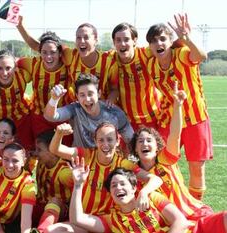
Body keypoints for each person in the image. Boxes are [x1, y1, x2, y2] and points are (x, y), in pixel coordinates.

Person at [132, 83, 227, 232]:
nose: (145, 144)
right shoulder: (135, 174)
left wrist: (177, 107)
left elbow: (175, 135)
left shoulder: (165, 159)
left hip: (195, 214)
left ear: (157, 146)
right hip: (172, 225)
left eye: (149, 140)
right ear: (135, 150)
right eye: (140, 141)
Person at [46, 122, 163, 232]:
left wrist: (144, 192)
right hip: (81, 217)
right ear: (95, 142)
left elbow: (156, 179)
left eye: (110, 139)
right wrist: (59, 134)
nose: (105, 144)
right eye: (101, 140)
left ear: (118, 141)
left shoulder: (124, 164)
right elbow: (55, 149)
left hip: (104, 222)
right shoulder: (87, 155)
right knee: (52, 229)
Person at [146, 13, 212, 200]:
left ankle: (197, 208)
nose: (158, 44)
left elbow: (201, 56)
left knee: (196, 167)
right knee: (160, 161)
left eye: (162, 39)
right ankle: (165, 203)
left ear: (170, 41)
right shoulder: (152, 65)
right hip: (170, 117)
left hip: (195, 118)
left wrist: (186, 39)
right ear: (150, 46)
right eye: (153, 41)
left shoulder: (181, 54)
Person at [16, 16, 116, 101]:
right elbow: (41, 46)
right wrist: (20, 26)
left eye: (86, 37)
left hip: (100, 110)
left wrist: (108, 103)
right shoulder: (71, 56)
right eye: (78, 37)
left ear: (96, 40)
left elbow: (115, 89)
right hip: (76, 110)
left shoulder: (108, 60)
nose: (82, 41)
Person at [69, 165, 190, 233]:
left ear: (133, 188)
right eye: (114, 186)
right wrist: (78, 184)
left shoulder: (152, 198)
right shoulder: (112, 220)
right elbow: (77, 218)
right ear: (111, 194)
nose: (118, 188)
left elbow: (181, 222)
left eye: (122, 183)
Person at [44, 73, 134, 149]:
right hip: (81, 162)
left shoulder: (115, 114)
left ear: (99, 93)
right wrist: (54, 99)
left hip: (105, 161)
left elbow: (132, 141)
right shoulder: (75, 109)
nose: (87, 99)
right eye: (82, 95)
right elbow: (50, 116)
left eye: (90, 94)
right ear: (77, 96)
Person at [15, 29, 71, 138]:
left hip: (62, 117)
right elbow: (8, 63)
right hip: (39, 117)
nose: (48, 57)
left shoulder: (68, 64)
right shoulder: (33, 64)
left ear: (60, 53)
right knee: (42, 152)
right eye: (44, 52)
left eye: (53, 52)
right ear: (40, 52)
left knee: (62, 152)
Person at [107, 22, 161, 131]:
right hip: (127, 121)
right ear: (114, 42)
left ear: (134, 40)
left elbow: (169, 46)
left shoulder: (146, 53)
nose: (122, 44)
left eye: (126, 39)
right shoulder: (110, 59)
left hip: (153, 117)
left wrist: (184, 38)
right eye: (118, 40)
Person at [0, 49, 34, 150]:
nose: (4, 73)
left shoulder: (23, 75)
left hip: (20, 119)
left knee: (24, 151)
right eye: (0, 68)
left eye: (8, 68)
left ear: (15, 67)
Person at [0, 143, 36, 233]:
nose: (10, 165)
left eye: (15, 161)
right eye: (6, 159)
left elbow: (26, 220)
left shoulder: (27, 183)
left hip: (3, 224)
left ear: (24, 162)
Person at [33, 130, 74, 232]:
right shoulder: (41, 163)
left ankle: (41, 231)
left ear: (53, 151)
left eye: (39, 150)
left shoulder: (64, 172)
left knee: (55, 201)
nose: (36, 153)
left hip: (60, 212)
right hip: (41, 205)